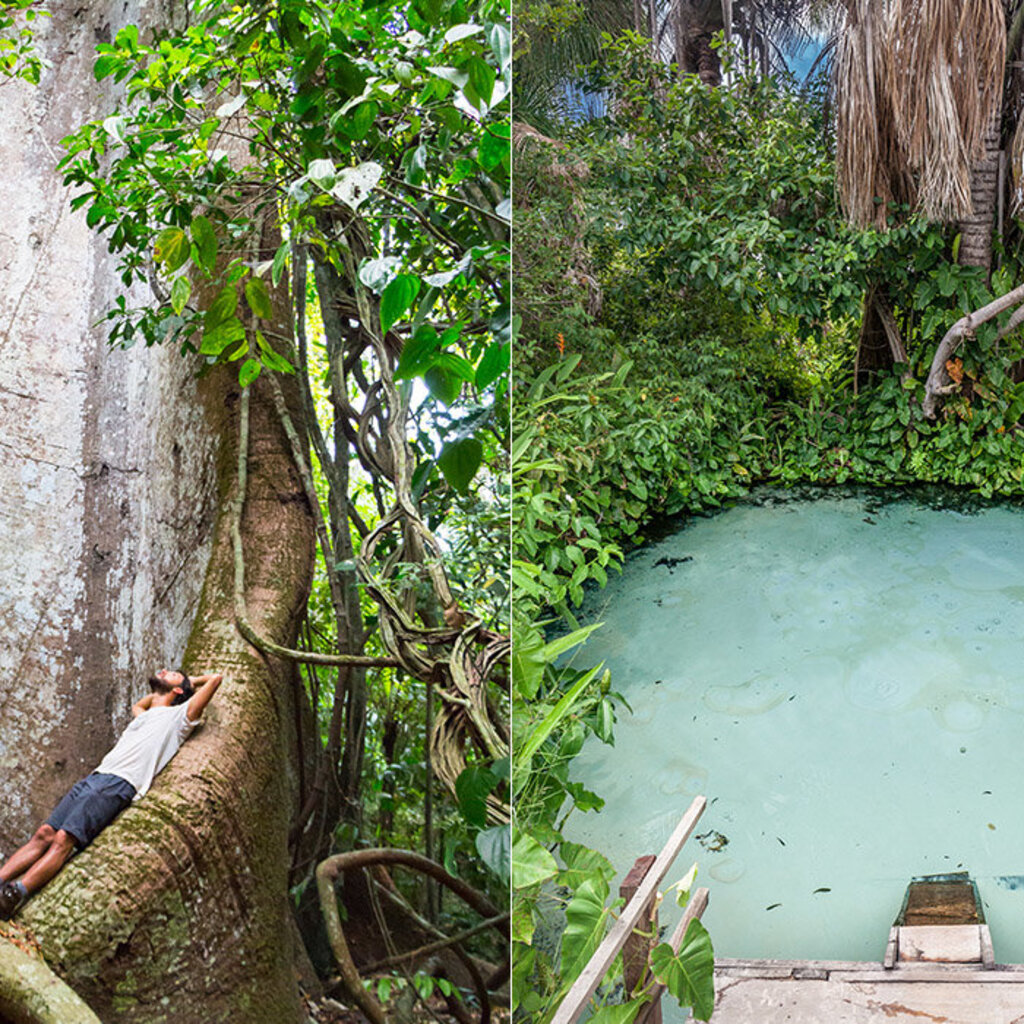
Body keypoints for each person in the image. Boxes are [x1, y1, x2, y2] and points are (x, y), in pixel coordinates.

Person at [0, 668, 224, 918]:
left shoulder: (181, 717)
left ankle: (15, 893)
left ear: (179, 690)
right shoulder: (145, 715)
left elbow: (215, 680)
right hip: (97, 776)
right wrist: (174, 684)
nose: (164, 670)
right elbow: (141, 704)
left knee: (65, 839)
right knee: (44, 833)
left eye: (171, 673)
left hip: (119, 783)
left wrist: (190, 682)